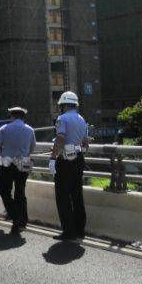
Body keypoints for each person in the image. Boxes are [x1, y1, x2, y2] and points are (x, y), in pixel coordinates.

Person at [49, 91, 89, 240]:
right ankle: (80, 229)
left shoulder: (62, 118)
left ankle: (68, 231)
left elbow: (60, 139)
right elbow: (85, 143)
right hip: (78, 159)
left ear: (63, 105)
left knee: (63, 196)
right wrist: (76, 150)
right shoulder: (81, 119)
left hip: (65, 161)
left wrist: (53, 158)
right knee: (77, 194)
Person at [0, 106, 37, 236]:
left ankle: (15, 217)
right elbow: (32, 147)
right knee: (20, 192)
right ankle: (22, 221)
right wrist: (24, 156)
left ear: (11, 116)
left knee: (4, 190)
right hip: (24, 163)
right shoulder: (30, 130)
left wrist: (4, 155)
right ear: (23, 117)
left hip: (7, 164)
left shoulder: (4, 129)